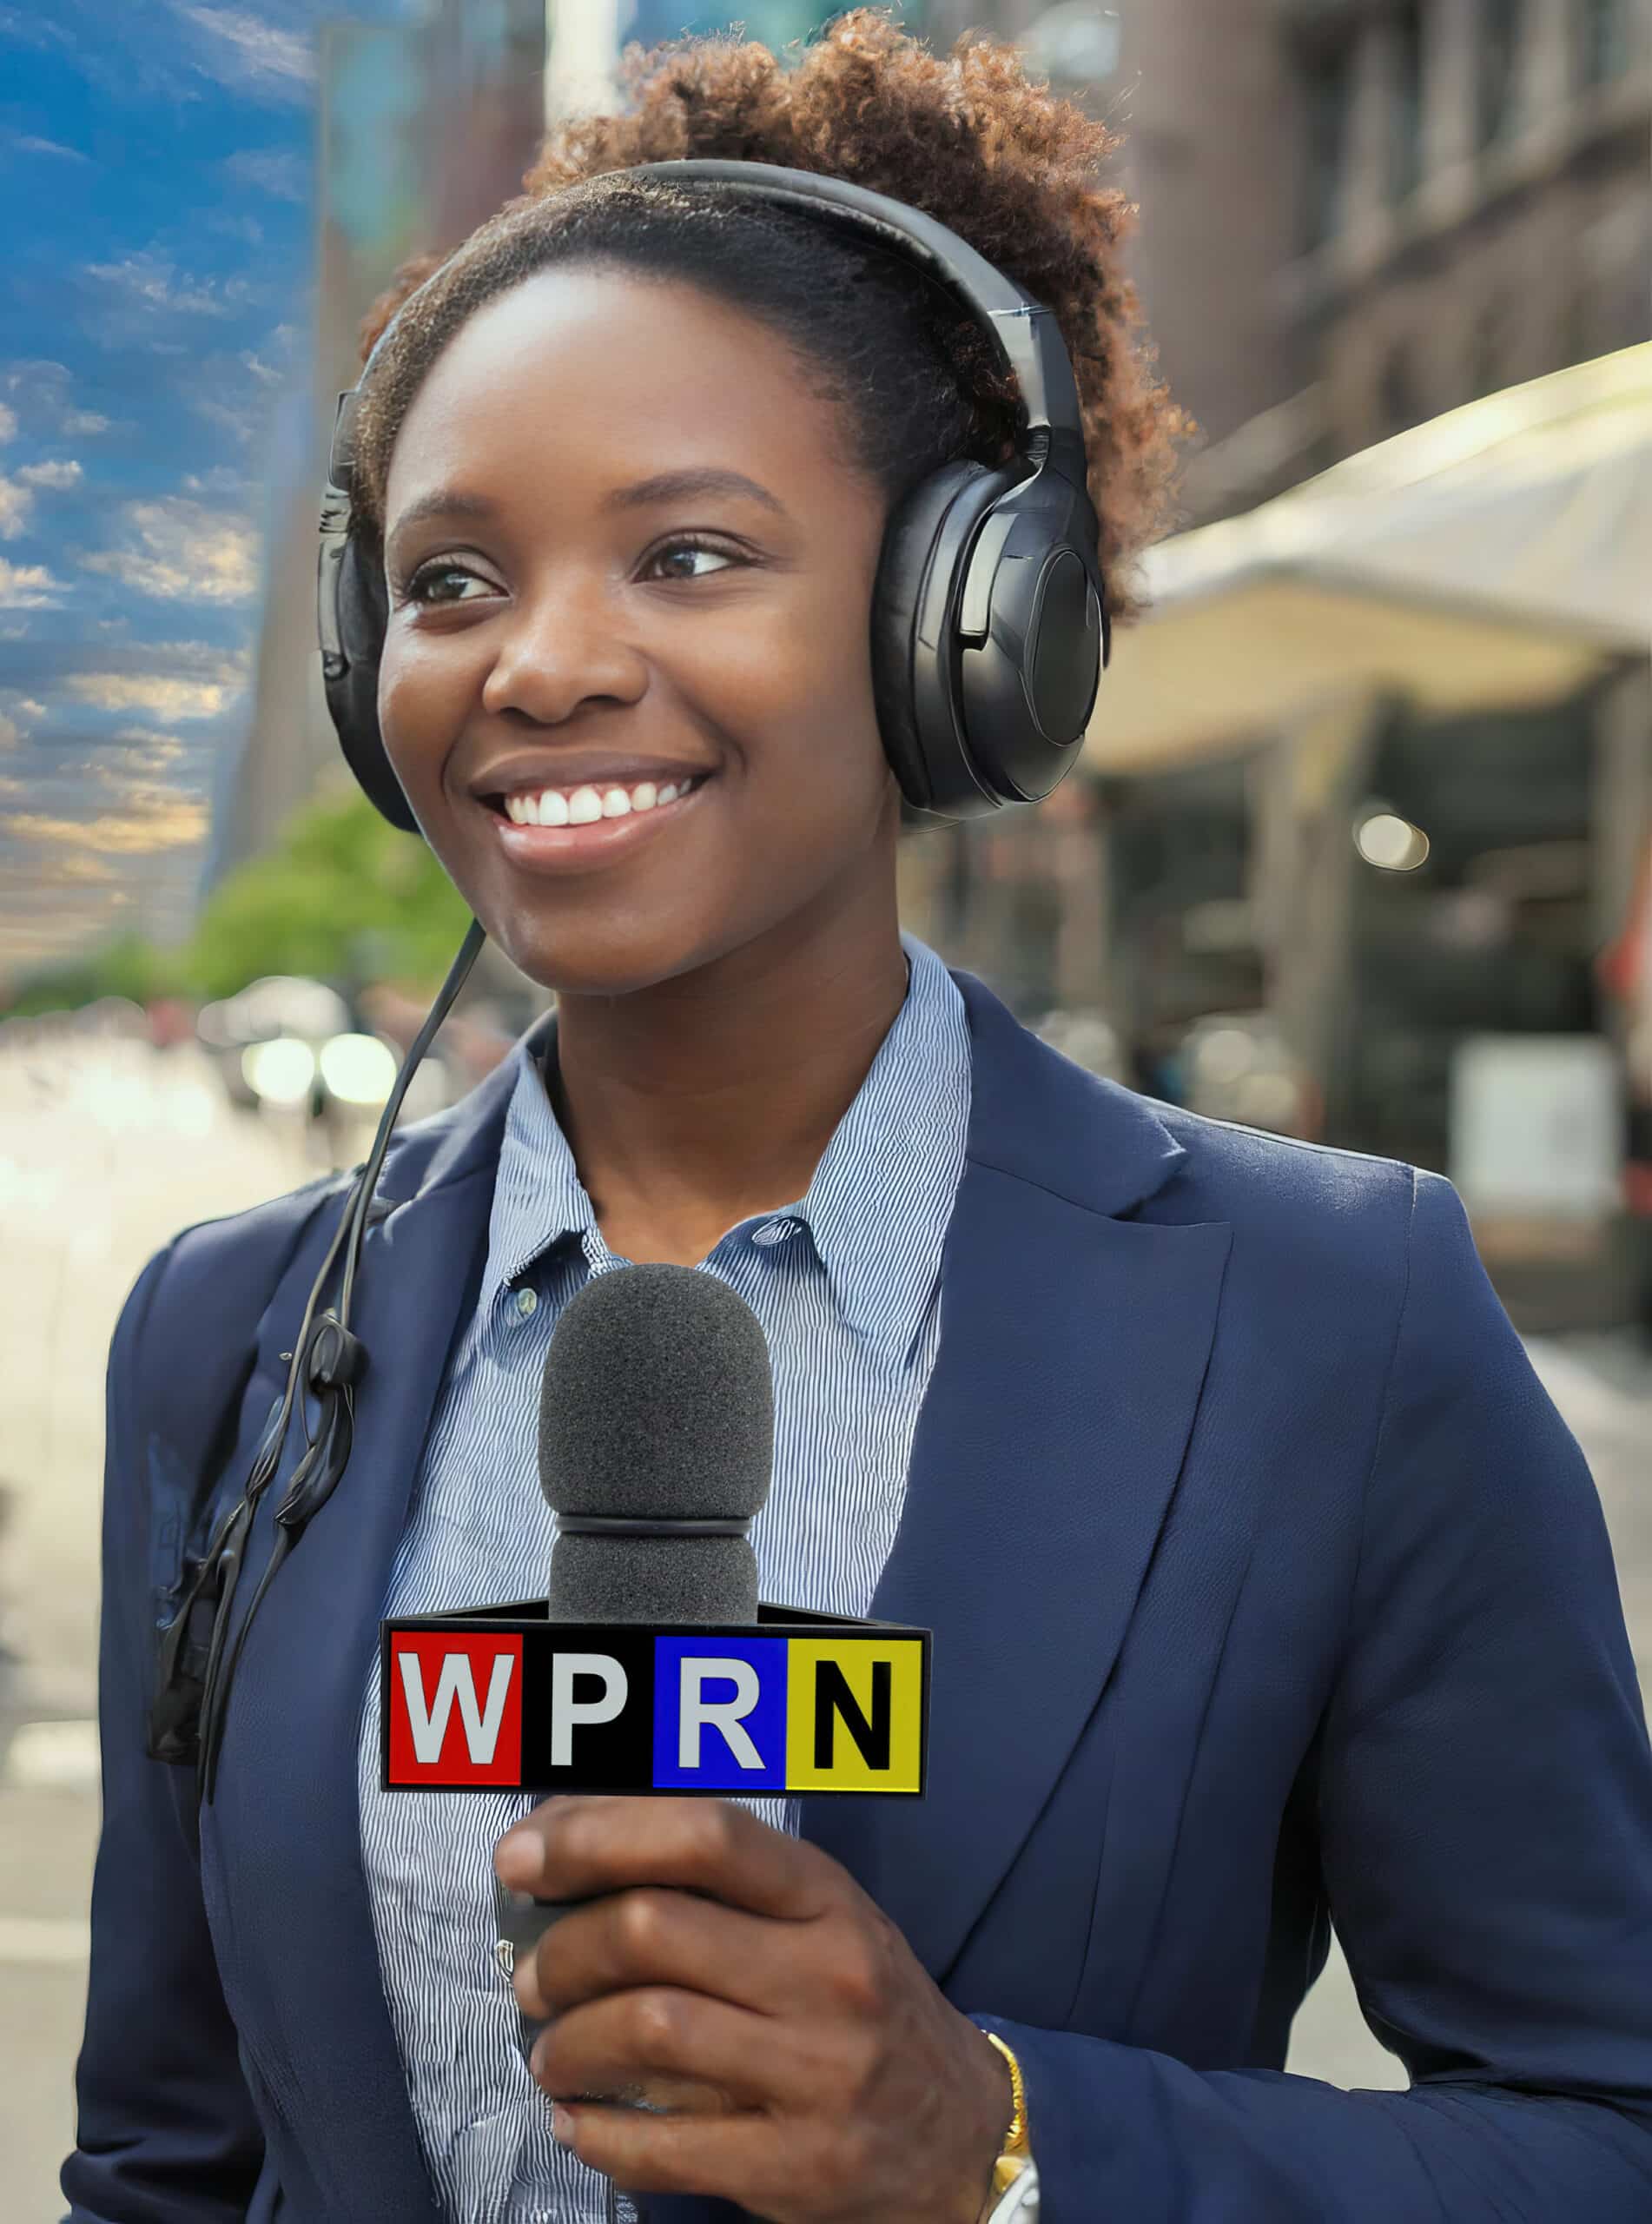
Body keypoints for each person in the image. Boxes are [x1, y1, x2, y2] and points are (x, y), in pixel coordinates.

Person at [63, 16, 1652, 2224]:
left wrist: (993, 2137)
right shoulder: (232, 1337)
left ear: (968, 619)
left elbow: (1605, 2133)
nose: (534, 662)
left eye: (690, 553)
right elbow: (168, 2148)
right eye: (447, 581)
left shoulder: (1335, 1320)